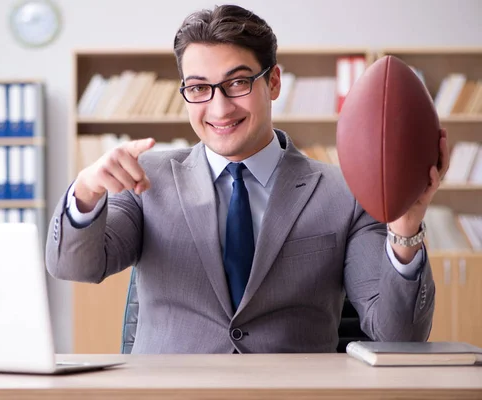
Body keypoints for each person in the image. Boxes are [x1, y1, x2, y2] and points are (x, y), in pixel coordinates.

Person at [46, 4, 449, 354]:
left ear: (273, 82)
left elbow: (399, 334)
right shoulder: (146, 180)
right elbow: (75, 266)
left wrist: (405, 226)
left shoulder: (344, 193)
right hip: (169, 390)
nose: (219, 108)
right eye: (200, 88)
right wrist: (87, 191)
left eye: (237, 82)